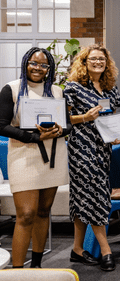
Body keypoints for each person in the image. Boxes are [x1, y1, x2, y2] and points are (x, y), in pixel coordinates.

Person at [0, 47, 69, 268]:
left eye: (43, 65)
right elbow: (1, 126)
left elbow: (66, 125)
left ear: (49, 69)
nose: (38, 68)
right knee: (26, 214)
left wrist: (58, 131)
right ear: (25, 63)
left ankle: (37, 265)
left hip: (53, 156)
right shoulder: (12, 88)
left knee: (42, 212)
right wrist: (33, 137)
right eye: (33, 63)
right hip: (23, 156)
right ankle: (17, 270)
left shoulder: (57, 91)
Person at [64, 44, 120, 272]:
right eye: (93, 59)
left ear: (107, 63)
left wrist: (116, 135)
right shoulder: (73, 87)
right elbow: (64, 119)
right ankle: (106, 250)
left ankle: (77, 249)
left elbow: (114, 116)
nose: (98, 62)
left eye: (102, 59)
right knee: (97, 195)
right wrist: (84, 117)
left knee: (83, 196)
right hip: (81, 148)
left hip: (103, 149)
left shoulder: (109, 88)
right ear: (84, 62)